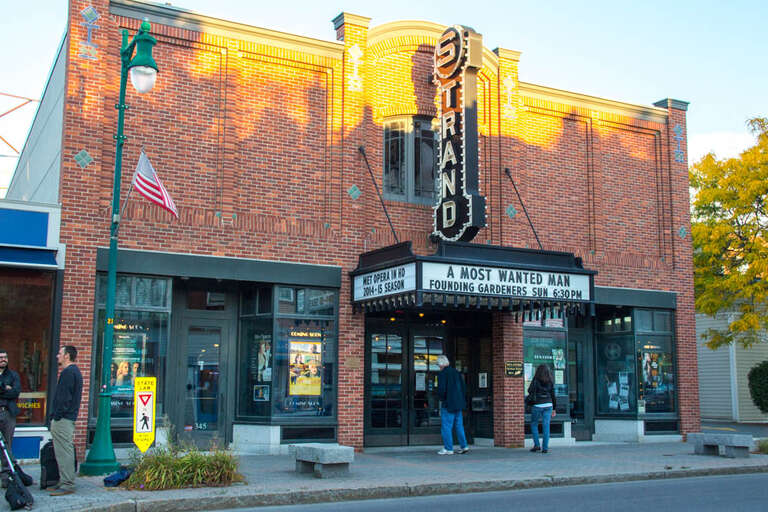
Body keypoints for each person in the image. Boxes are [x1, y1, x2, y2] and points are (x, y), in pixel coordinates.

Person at [48, 345, 83, 496]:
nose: (57, 356)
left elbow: (64, 398)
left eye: (60, 353)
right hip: (66, 418)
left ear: (67, 356)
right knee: (62, 451)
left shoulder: (69, 373)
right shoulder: (74, 372)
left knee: (64, 452)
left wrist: (57, 416)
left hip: (63, 419)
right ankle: (63, 481)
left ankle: (67, 483)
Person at [436, 355, 468, 455]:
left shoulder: (442, 374)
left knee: (446, 426)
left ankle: (448, 448)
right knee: (459, 426)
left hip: (448, 404)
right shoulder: (456, 372)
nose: (438, 367)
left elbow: (442, 390)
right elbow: (463, 388)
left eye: (438, 365)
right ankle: (464, 446)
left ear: (441, 364)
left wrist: (441, 398)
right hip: (458, 403)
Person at [0, 349, 21, 488]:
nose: (3, 359)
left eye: (5, 357)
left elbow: (15, 392)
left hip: (7, 413)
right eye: (1, 357)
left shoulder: (13, 375)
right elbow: (9, 392)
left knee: (6, 445)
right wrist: (5, 389)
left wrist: (8, 391)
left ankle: (6, 478)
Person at [527, 364, 556, 454]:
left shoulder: (536, 380)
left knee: (534, 424)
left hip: (537, 405)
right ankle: (545, 448)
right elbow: (553, 395)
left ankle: (537, 445)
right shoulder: (550, 381)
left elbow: (529, 390)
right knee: (546, 426)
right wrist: (554, 408)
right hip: (548, 404)